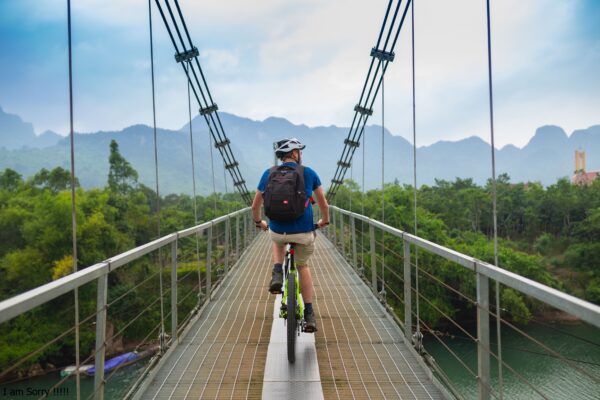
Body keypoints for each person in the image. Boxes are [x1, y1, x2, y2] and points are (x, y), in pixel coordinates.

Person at [251, 138, 329, 332]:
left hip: (278, 231)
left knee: (277, 237)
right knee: (302, 266)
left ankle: (277, 272)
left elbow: (255, 205)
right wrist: (324, 221)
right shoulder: (309, 173)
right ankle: (309, 314)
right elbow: (323, 205)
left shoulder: (268, 174)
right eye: (299, 152)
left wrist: (258, 222)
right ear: (295, 154)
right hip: (303, 233)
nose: (300, 155)